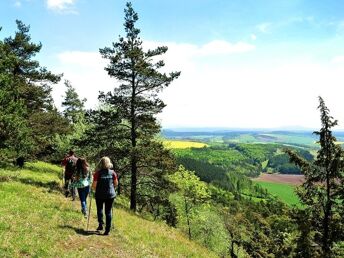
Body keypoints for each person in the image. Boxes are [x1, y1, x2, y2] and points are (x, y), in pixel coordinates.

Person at [92, 156, 118, 235]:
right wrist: (112, 188)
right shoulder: (113, 173)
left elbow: (94, 185)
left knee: (99, 209)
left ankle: (101, 224)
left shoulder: (97, 173)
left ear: (101, 163)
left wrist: (93, 188)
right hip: (110, 195)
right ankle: (107, 230)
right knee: (108, 212)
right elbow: (116, 183)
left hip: (100, 194)